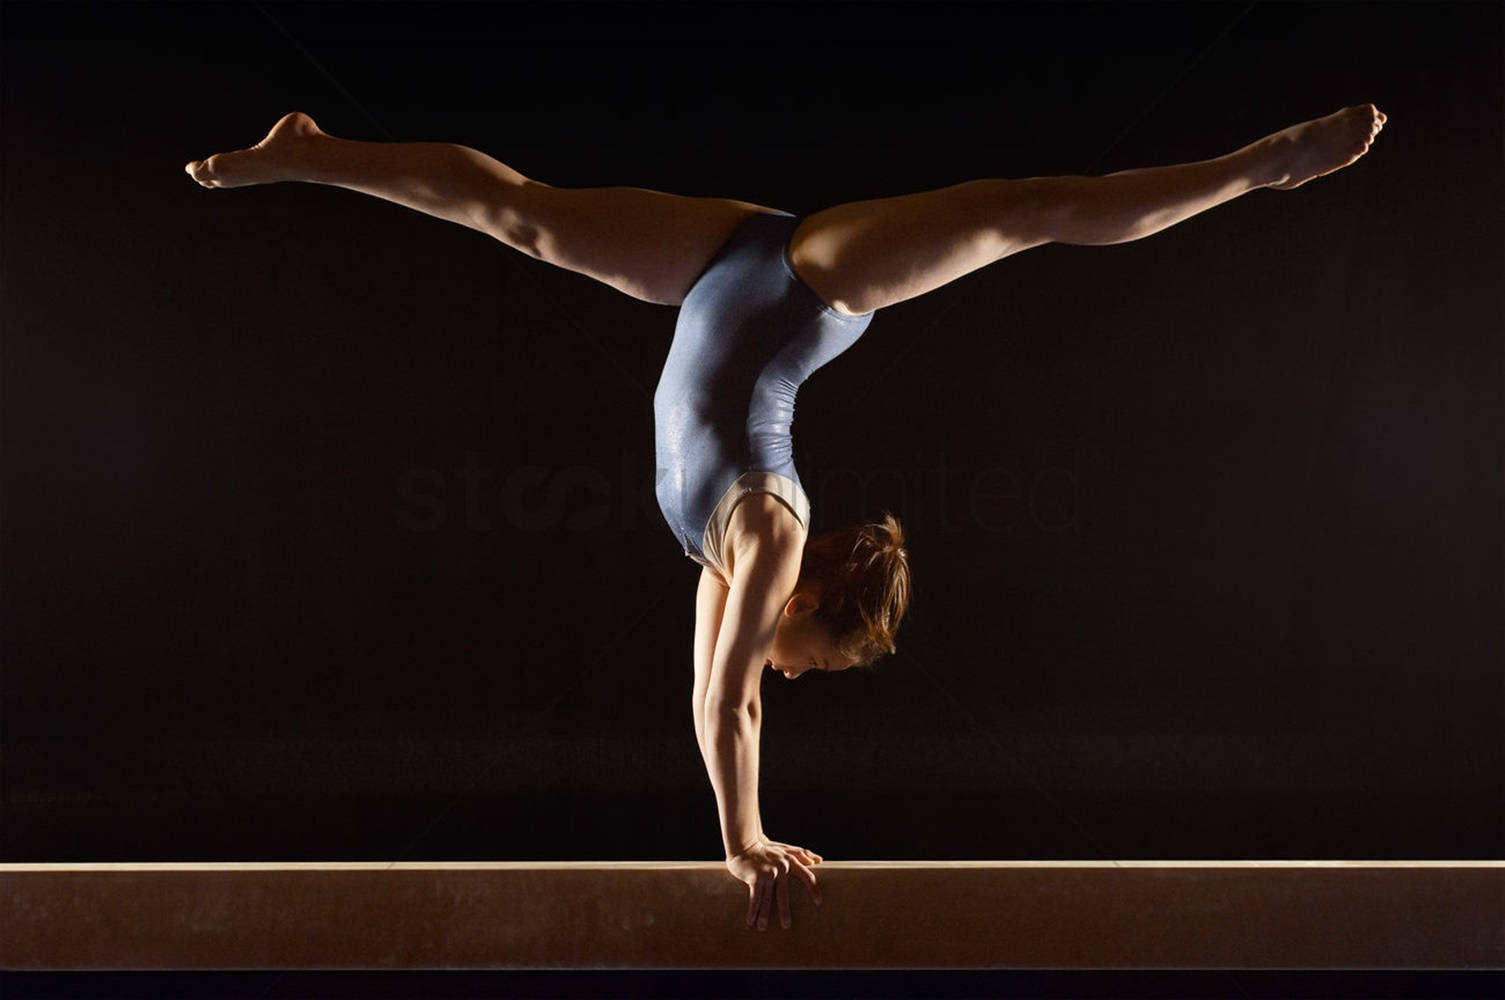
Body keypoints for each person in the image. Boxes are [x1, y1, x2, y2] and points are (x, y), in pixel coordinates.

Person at [184, 103, 1386, 930]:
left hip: (715, 268)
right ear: (806, 601)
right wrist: (743, 839)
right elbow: (736, 698)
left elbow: (709, 691)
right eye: (820, 654)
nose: (798, 674)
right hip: (814, 282)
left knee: (524, 216)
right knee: (1030, 209)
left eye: (810, 670)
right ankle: (1255, 165)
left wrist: (735, 821)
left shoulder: (714, 559)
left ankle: (316, 150)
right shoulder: (766, 531)